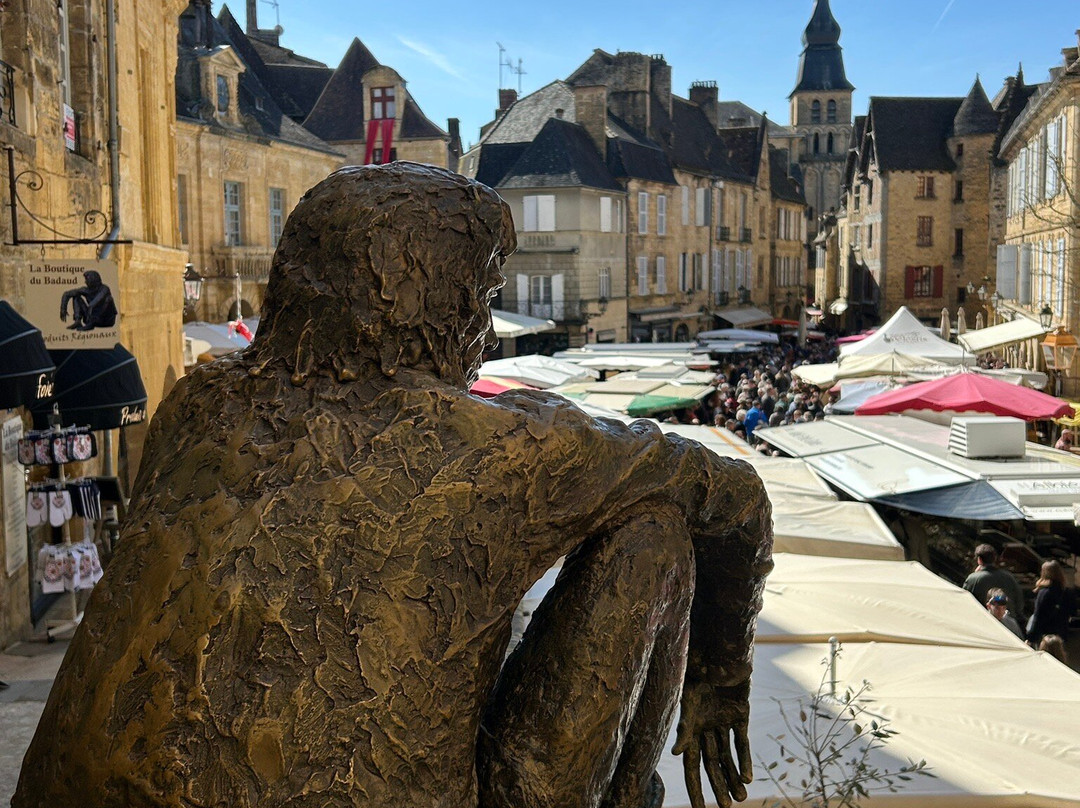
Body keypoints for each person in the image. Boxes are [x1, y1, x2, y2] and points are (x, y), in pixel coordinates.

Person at [14, 164, 773, 808]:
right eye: (483, 297)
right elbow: (737, 498)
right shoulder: (510, 448)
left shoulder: (197, 406)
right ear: (456, 307)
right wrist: (721, 676)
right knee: (657, 536)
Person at [962, 544, 1026, 620]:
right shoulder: (1009, 577)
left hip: (982, 621)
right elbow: (1019, 603)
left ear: (979, 560)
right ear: (994, 558)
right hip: (1007, 622)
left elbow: (964, 602)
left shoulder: (973, 579)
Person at [1027, 560, 1071, 648]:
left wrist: (1031, 637)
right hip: (1060, 633)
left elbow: (1038, 616)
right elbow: (1071, 611)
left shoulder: (1044, 593)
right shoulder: (1066, 592)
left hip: (1044, 635)